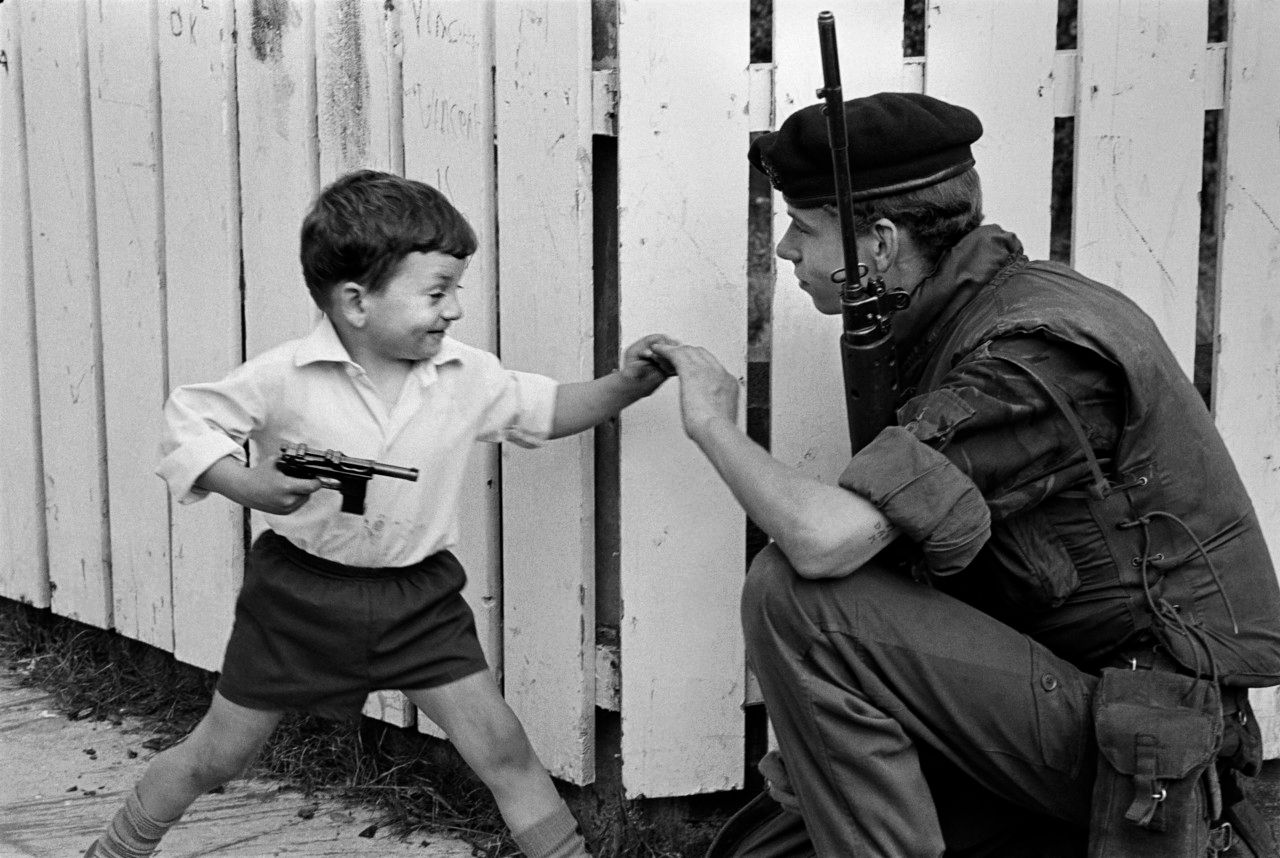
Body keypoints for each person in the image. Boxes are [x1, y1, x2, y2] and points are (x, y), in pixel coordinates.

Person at [652, 93, 1280, 857]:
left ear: (877, 244)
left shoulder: (1030, 356)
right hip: (1060, 695)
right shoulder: (955, 317)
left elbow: (827, 544)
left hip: (1145, 736)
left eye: (805, 227)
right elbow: (938, 571)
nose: (785, 250)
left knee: (793, 593)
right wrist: (825, 734)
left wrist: (712, 422)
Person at [86, 169, 674, 858]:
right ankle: (116, 851)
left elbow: (546, 410)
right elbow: (190, 420)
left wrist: (625, 386)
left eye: (457, 289)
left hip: (418, 600)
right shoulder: (285, 375)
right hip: (297, 596)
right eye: (436, 292)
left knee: (502, 749)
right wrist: (246, 484)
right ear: (357, 302)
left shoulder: (466, 374)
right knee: (218, 756)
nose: (454, 309)